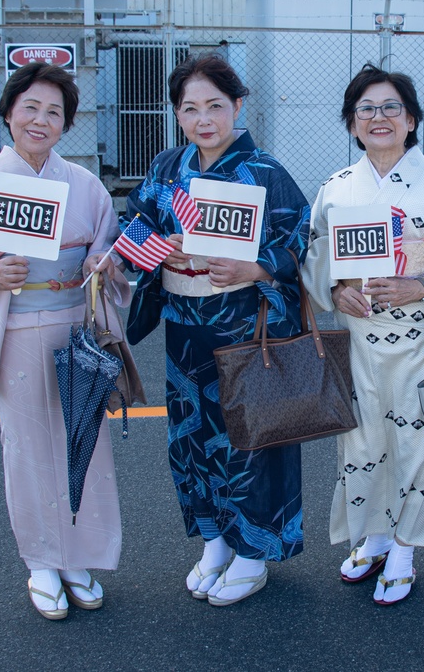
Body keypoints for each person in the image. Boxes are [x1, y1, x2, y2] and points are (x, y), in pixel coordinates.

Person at [0, 63, 128, 620]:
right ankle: (42, 560)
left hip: (73, 322)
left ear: (66, 125)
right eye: (31, 108)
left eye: (54, 112)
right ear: (9, 114)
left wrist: (100, 263)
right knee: (28, 448)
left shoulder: (84, 185)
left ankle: (78, 556)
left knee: (83, 442)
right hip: (16, 325)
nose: (40, 120)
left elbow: (112, 252)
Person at [302, 64, 424, 606]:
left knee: (418, 443)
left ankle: (406, 544)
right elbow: (316, 259)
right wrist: (337, 292)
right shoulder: (337, 189)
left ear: (411, 120)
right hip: (359, 340)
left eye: (391, 108)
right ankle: (376, 533)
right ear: (352, 124)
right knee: (362, 440)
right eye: (366, 109)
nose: (378, 118)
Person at [123, 54, 311, 606]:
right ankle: (213, 539)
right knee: (191, 434)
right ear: (177, 114)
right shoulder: (167, 167)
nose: (203, 119)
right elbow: (138, 225)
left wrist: (256, 267)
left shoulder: (267, 172)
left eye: (214, 106)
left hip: (245, 325)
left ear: (237, 107)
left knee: (249, 436)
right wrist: (140, 252)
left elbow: (303, 237)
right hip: (184, 325)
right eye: (190, 109)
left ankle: (253, 551)